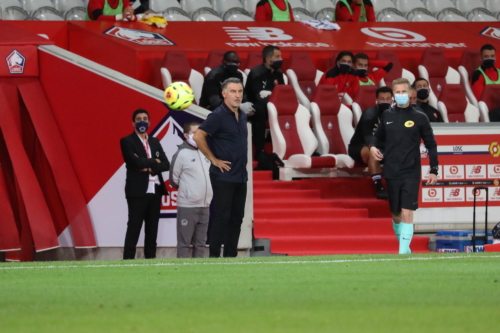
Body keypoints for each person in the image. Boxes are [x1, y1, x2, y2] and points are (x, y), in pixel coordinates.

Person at [369, 78, 439, 254]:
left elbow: (431, 144)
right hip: (391, 170)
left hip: (411, 170)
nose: (400, 95)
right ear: (394, 95)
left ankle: (402, 253)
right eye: (397, 92)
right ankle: (405, 249)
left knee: (408, 212)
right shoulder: (387, 116)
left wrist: (434, 170)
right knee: (396, 214)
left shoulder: (420, 117)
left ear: (410, 94)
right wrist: (372, 147)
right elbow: (376, 137)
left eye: (403, 92)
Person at [193, 78, 248, 258]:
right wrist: (214, 159)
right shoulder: (217, 115)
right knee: (222, 218)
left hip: (241, 176)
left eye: (240, 91)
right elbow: (198, 136)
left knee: (237, 218)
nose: (237, 95)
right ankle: (214, 258)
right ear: (224, 93)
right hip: (223, 176)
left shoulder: (243, 115)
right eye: (233, 91)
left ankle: (231, 257)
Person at [120, 109, 170, 259]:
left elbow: (166, 164)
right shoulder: (127, 141)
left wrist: (147, 167)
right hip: (137, 192)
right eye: (139, 119)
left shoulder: (155, 141)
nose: (142, 121)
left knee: (152, 229)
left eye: (145, 119)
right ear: (133, 123)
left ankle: (151, 261)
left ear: (149, 122)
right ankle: (128, 261)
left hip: (155, 191)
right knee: (134, 228)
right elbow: (134, 162)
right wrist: (155, 161)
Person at [169, 121, 212, 258]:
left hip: (205, 206)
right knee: (184, 244)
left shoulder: (206, 153)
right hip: (188, 206)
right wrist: (189, 192)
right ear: (186, 136)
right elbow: (174, 180)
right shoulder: (181, 154)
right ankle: (182, 275)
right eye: (195, 133)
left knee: (201, 244)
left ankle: (198, 274)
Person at [348, 87, 393, 200]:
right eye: (382, 99)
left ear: (393, 100)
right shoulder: (369, 114)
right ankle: (379, 188)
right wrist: (374, 147)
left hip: (384, 147)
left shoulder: (396, 115)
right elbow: (368, 137)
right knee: (374, 152)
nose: (385, 101)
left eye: (388, 99)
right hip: (360, 146)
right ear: (376, 100)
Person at [245, 45, 285, 160]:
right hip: (253, 105)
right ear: (268, 59)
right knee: (261, 111)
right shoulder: (256, 72)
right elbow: (258, 97)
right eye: (277, 56)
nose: (280, 59)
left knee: (284, 109)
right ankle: (259, 150)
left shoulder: (278, 72)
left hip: (271, 103)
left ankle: (274, 141)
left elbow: (281, 91)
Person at [471, 44, 500, 121]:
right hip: (489, 113)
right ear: (481, 58)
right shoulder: (478, 74)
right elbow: (481, 100)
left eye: (492, 56)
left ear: (495, 57)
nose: (490, 59)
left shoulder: (499, 72)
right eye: (486, 57)